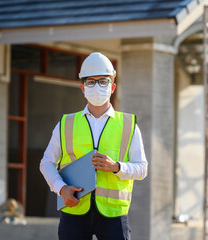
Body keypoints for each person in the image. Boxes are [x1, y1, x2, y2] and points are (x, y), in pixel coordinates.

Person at [40, 52, 148, 240]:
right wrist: (61, 188)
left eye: (103, 81)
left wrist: (117, 167)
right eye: (91, 82)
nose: (97, 86)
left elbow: (142, 169)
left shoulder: (129, 125)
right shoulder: (66, 123)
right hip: (74, 210)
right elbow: (46, 162)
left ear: (112, 87)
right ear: (82, 87)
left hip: (114, 215)